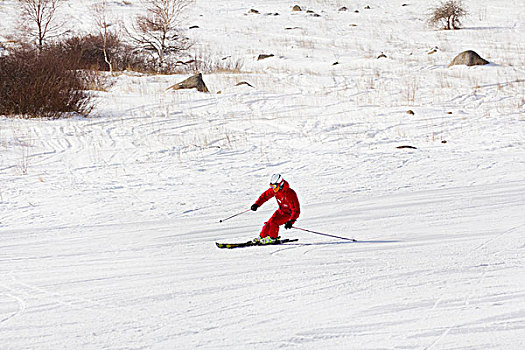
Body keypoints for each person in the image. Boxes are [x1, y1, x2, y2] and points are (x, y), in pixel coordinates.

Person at [250, 174, 301, 244]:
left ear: (281, 184)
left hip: (288, 214)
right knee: (268, 223)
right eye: (271, 186)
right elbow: (264, 196)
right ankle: (262, 237)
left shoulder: (289, 193)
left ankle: (273, 238)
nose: (273, 189)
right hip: (280, 211)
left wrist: (291, 221)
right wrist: (256, 204)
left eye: (274, 187)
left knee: (274, 223)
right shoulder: (274, 191)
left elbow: (296, 210)